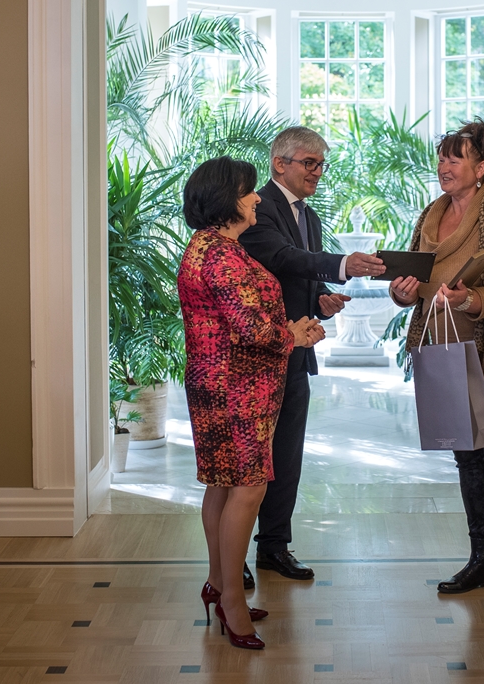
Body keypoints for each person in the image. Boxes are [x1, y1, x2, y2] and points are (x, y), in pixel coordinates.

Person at [390, 120, 484, 619]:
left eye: (455, 158)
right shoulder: (430, 216)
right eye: (441, 157)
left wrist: (470, 298)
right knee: (468, 459)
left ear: (481, 168)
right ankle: (483, 562)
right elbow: (416, 282)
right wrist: (402, 292)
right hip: (449, 347)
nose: (444, 166)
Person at [178, 156, 326, 650]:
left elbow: (237, 320)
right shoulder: (221, 255)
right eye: (248, 191)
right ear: (226, 200)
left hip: (218, 382)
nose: (256, 197)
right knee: (247, 488)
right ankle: (232, 603)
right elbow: (251, 330)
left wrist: (287, 328)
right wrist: (295, 334)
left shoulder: (207, 246)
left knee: (222, 485)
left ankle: (218, 584)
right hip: (236, 389)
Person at [238, 126, 386, 585]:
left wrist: (321, 297)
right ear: (279, 163)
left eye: (321, 164)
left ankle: (274, 547)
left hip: (296, 354)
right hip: (259, 355)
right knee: (248, 464)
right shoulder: (257, 209)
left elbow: (300, 274)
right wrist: (341, 265)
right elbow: (281, 258)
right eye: (309, 163)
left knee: (286, 456)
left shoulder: (311, 215)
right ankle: (231, 556)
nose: (318, 172)